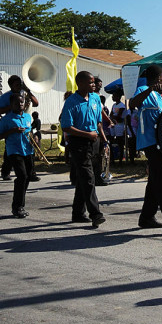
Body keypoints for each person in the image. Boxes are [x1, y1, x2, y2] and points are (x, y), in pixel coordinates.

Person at [130, 64, 162, 234]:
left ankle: (146, 217)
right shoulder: (143, 89)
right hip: (150, 141)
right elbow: (133, 104)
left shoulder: (158, 95)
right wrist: (151, 89)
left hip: (160, 141)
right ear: (159, 77)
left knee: (155, 179)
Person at [59, 71, 106, 227]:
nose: (94, 85)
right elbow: (66, 126)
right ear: (80, 83)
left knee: (82, 179)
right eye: (90, 82)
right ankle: (96, 214)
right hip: (78, 142)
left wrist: (103, 140)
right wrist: (87, 134)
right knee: (88, 178)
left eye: (94, 82)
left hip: (94, 141)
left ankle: (78, 213)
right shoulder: (71, 102)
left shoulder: (95, 98)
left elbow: (98, 121)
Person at [0, 75, 39, 181]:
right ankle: (5, 171)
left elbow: (36, 103)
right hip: (11, 123)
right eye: (17, 85)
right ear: (11, 86)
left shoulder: (24, 94)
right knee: (10, 152)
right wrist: (13, 105)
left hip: (25, 121)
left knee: (29, 148)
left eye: (20, 84)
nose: (19, 86)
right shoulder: (6, 97)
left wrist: (28, 91)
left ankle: (31, 172)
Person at [0, 93, 34, 218]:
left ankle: (20, 202)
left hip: (28, 150)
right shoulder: (6, 119)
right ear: (11, 105)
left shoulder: (28, 117)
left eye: (21, 103)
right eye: (16, 103)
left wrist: (35, 140)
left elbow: (31, 133)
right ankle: (17, 207)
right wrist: (12, 130)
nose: (19, 105)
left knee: (28, 177)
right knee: (22, 176)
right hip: (14, 150)